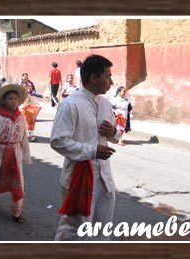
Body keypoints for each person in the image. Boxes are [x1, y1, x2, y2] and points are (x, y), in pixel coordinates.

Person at [50, 54, 120, 241]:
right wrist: (92, 151)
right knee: (75, 229)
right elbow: (58, 140)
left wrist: (113, 131)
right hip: (78, 177)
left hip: (104, 177)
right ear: (93, 78)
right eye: (107, 76)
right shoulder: (70, 105)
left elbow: (115, 136)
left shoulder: (105, 104)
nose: (111, 82)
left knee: (101, 229)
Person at [0, 84, 32, 224]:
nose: (14, 101)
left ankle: (16, 212)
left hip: (15, 153)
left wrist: (25, 155)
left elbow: (24, 136)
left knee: (19, 182)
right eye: (10, 98)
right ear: (4, 101)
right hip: (1, 152)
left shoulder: (20, 117)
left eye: (16, 99)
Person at [18, 73, 43, 142]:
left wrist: (37, 95)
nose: (25, 87)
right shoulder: (19, 93)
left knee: (30, 122)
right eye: (24, 86)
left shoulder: (29, 92)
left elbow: (33, 98)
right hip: (21, 109)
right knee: (21, 122)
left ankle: (30, 135)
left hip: (28, 110)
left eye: (26, 86)